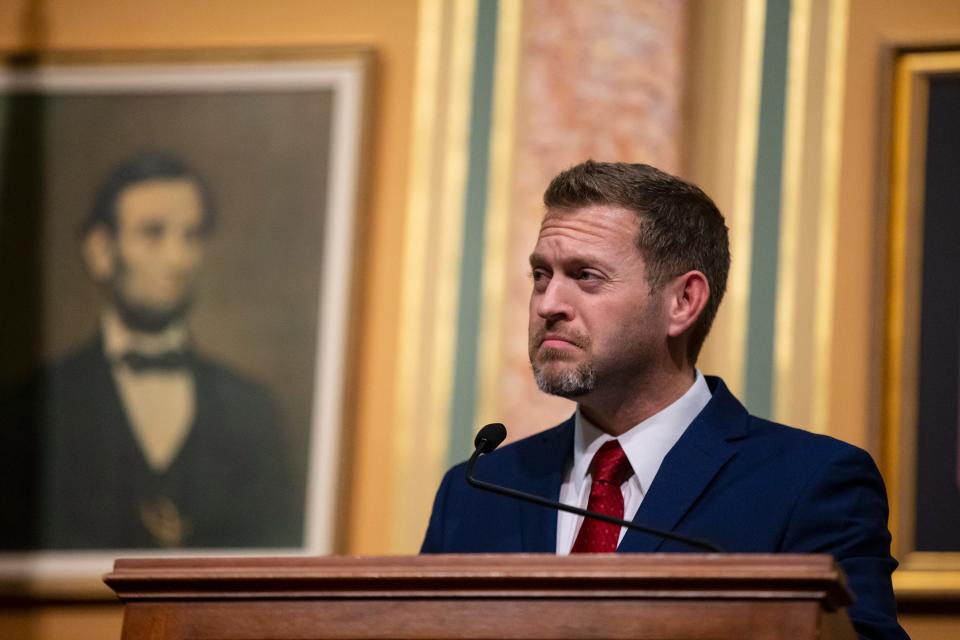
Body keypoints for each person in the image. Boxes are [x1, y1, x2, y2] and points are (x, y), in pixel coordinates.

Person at [421, 161, 907, 639]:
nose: (548, 304)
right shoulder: (478, 489)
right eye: (541, 276)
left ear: (683, 302)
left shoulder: (810, 483)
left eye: (585, 275)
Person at [1, 151, 302, 550]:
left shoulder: (251, 410)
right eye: (152, 233)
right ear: (100, 251)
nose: (178, 260)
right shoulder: (30, 407)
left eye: (191, 236)